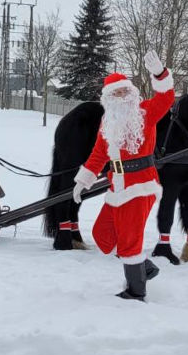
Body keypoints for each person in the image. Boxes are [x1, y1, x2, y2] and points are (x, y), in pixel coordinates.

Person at [72, 51, 175, 301]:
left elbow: (166, 97)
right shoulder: (107, 122)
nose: (120, 96)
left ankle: (136, 291)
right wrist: (82, 181)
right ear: (108, 98)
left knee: (129, 238)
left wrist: (160, 74)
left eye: (124, 92)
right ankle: (145, 267)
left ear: (131, 93)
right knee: (103, 233)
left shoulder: (145, 113)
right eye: (115, 93)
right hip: (117, 185)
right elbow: (99, 153)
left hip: (141, 185)